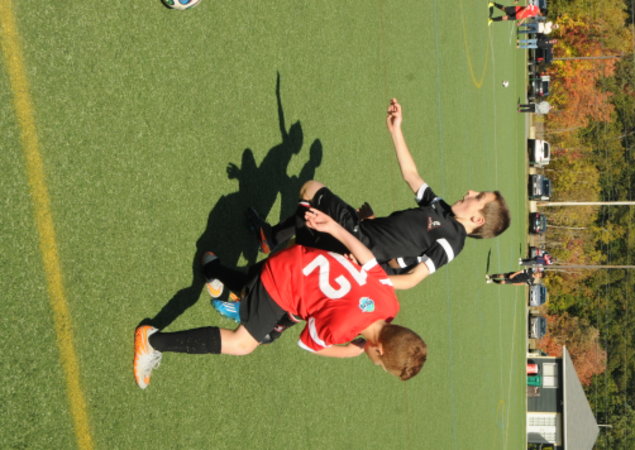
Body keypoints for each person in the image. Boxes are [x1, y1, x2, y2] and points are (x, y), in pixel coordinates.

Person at [133, 208, 427, 389]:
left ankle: (213, 269)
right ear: (378, 350)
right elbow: (307, 344)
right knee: (243, 344)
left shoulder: (391, 302)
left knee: (268, 305)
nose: (375, 364)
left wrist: (334, 228)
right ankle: (152, 342)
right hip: (281, 283)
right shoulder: (341, 330)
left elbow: (369, 261)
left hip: (298, 258)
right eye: (379, 364)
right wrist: (346, 352)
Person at [249, 99, 511, 292]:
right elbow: (411, 175)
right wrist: (396, 130)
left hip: (360, 244)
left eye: (478, 197)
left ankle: (274, 264)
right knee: (308, 228)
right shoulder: (440, 208)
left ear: (478, 220)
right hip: (361, 230)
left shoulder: (452, 242)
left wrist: (368, 274)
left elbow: (411, 279)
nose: (470, 192)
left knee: (311, 190)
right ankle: (274, 254)